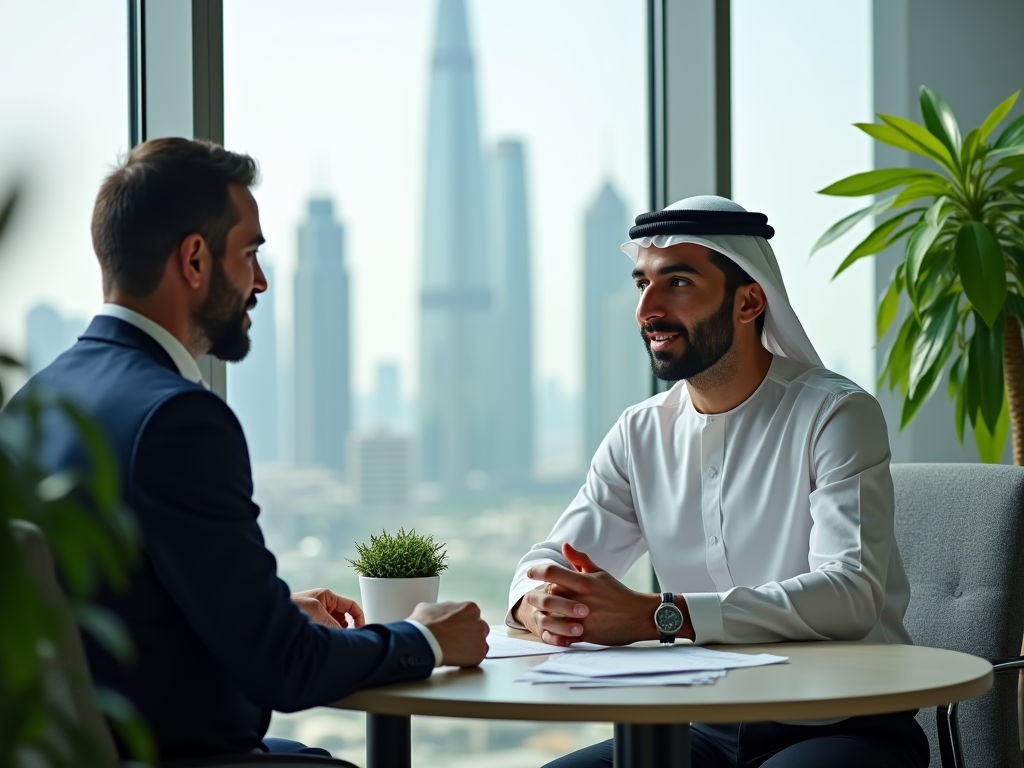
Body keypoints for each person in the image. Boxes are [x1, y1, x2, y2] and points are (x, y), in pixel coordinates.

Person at [12, 137, 489, 761]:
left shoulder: (32, 404)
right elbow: (286, 671)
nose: (260, 281)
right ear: (194, 260)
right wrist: (422, 639)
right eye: (250, 254)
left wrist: (261, 612)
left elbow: (110, 610)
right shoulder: (179, 418)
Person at [507, 196, 928, 768]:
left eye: (677, 282)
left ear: (750, 300)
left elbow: (849, 594)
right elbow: (550, 557)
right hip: (699, 730)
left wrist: (656, 614)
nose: (647, 309)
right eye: (641, 285)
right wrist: (538, 604)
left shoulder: (836, 415)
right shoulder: (639, 433)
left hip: (841, 723)